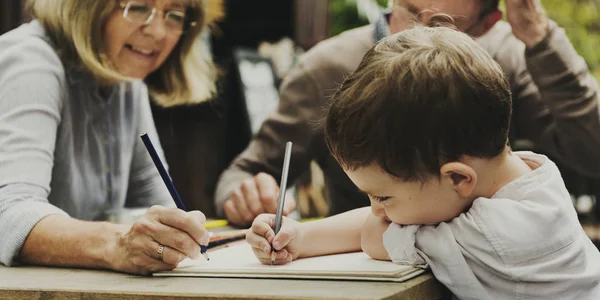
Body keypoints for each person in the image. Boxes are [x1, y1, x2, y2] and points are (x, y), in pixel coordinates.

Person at [246, 25, 600, 299]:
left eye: (383, 197)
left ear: (459, 179)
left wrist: (308, 235)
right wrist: (300, 235)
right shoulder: (531, 174)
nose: (377, 209)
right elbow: (388, 223)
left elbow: (375, 235)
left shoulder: (494, 237)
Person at [215, 0, 600, 226]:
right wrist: (243, 195)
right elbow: (243, 172)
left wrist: (541, 40)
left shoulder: (505, 58)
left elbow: (593, 152)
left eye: (442, 27)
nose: (415, 36)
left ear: (487, 26)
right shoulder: (326, 68)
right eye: (409, 12)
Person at [0, 0, 221, 275]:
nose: (158, 32)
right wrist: (118, 244)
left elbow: (157, 202)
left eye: (174, 15)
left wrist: (178, 232)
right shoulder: (31, 60)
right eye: (138, 7)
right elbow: (8, 215)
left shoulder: (126, 77)